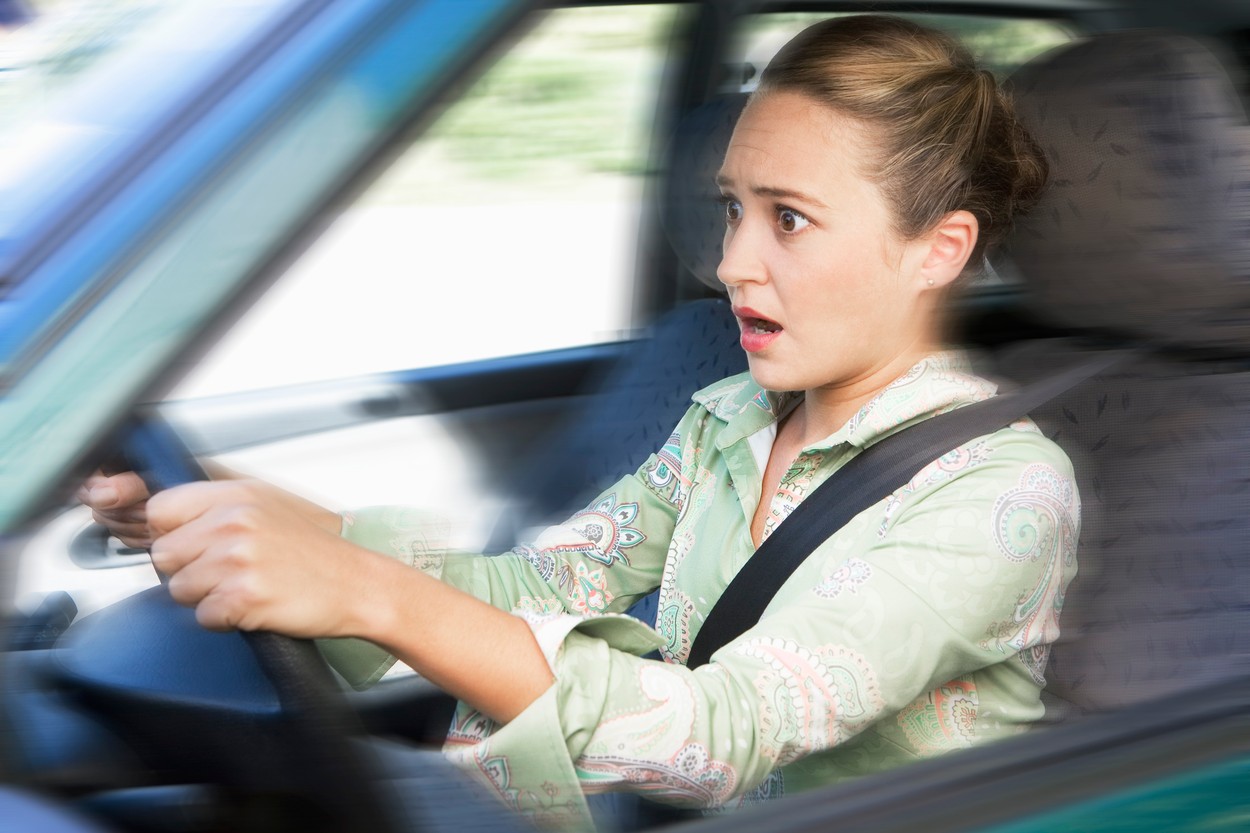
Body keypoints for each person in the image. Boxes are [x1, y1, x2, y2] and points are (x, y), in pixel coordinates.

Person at [81, 14, 1072, 832]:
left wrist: (370, 592)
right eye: (731, 209)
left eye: (789, 218)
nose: (730, 261)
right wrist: (273, 523)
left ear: (936, 250)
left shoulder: (998, 494)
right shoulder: (724, 422)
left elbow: (719, 733)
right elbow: (534, 585)